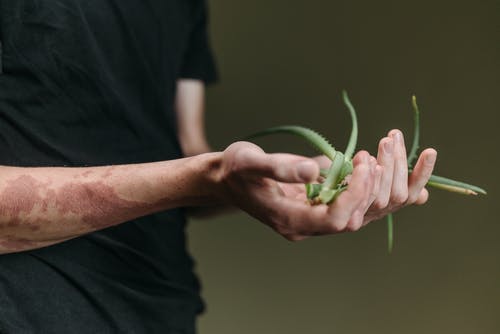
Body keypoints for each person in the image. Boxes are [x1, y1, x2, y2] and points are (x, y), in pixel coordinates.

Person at [0, 1, 437, 333]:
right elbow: (194, 173)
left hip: (160, 306)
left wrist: (262, 180)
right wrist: (206, 176)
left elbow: (186, 150)